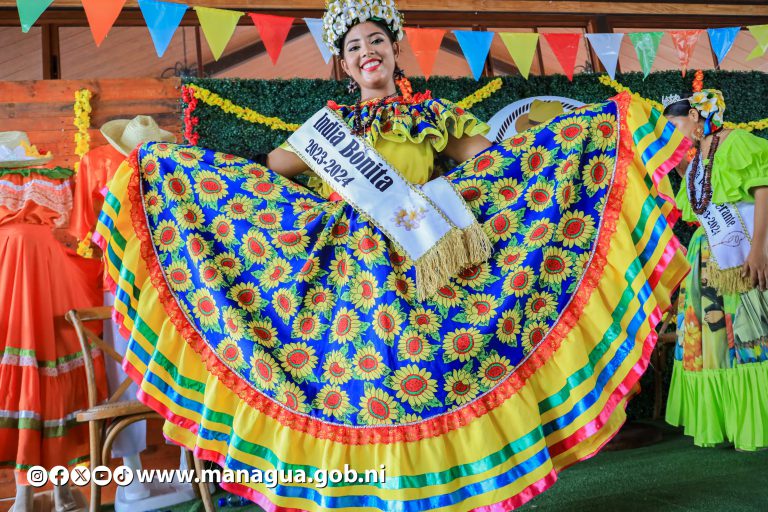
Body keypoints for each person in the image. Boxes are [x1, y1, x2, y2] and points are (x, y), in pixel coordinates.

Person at [94, 1, 692, 509]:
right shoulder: (324, 132)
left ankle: (444, 495)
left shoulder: (429, 116)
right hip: (347, 287)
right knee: (360, 394)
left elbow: (500, 165)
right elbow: (262, 175)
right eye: (354, 46)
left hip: (425, 272)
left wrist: (579, 134)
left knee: (433, 384)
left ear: (395, 47)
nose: (366, 52)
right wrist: (176, 165)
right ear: (343, 61)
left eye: (375, 40)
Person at [0, 132, 106, 512]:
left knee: (37, 370)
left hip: (16, 265)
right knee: (53, 366)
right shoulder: (49, 183)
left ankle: (30, 495)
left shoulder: (32, 189)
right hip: (41, 265)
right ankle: (53, 491)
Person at [663, 90, 768, 451]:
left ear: (695, 116)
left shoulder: (736, 142)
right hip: (706, 262)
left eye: (674, 124)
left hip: (741, 255)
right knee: (714, 342)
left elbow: (763, 188)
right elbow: (696, 210)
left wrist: (759, 250)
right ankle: (731, 423)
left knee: (748, 336)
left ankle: (756, 423)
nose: (672, 133)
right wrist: (679, 165)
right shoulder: (697, 161)